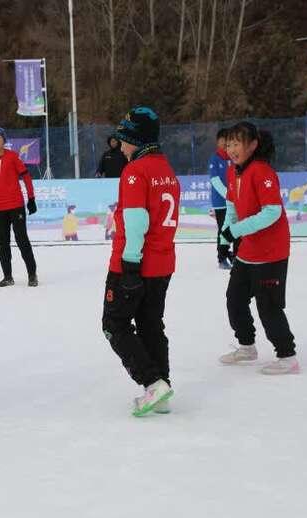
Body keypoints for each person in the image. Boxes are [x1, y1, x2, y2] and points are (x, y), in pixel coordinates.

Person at [101, 106, 180, 417]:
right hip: (163, 265)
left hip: (134, 265)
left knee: (114, 325)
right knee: (150, 325)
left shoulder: (135, 172)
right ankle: (162, 386)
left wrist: (130, 268)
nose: (121, 146)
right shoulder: (166, 169)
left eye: (124, 139)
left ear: (137, 139)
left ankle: (152, 382)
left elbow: (136, 222)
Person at [218, 122, 299, 375]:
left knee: (269, 307)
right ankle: (247, 346)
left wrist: (238, 230)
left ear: (252, 145)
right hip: (248, 252)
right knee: (235, 299)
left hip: (271, 252)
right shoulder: (233, 172)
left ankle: (287, 356)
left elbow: (272, 212)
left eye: (237, 143)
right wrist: (226, 235)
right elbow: (231, 205)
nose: (231, 149)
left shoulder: (262, 171)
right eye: (228, 143)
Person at [0, 126, 38, 287]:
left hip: (16, 206)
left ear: (4, 140)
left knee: (22, 240)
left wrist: (31, 198)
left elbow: (26, 177)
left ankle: (32, 275)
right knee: (2, 243)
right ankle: (8, 276)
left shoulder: (13, 156)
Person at [209, 128, 234, 269]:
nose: (225, 142)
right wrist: (228, 194)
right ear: (218, 141)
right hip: (220, 202)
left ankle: (234, 255)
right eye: (222, 139)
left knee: (234, 228)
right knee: (223, 230)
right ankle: (222, 257)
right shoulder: (215, 159)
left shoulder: (232, 158)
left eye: (228, 139)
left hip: (233, 201)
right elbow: (215, 180)